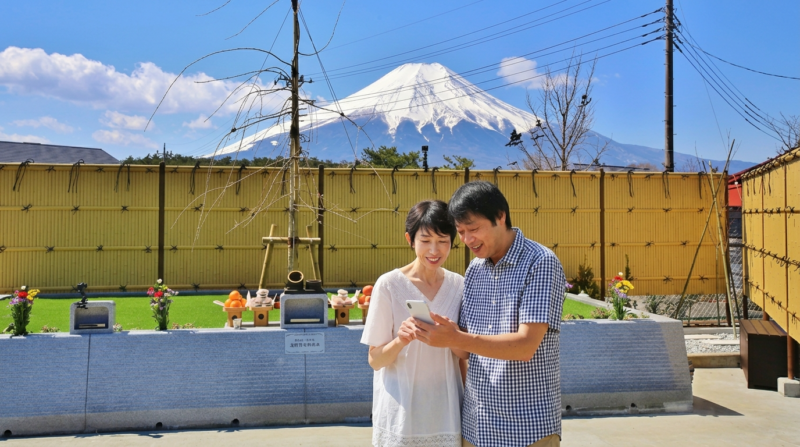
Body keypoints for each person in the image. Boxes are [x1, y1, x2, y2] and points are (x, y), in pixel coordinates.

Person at [411, 181, 566, 447]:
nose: (467, 239)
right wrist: (437, 332)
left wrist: (456, 338)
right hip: (476, 426)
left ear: (500, 217)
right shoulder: (475, 270)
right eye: (460, 232)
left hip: (527, 428)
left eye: (473, 229)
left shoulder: (540, 262)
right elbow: (467, 350)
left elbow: (525, 347)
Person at [361, 200, 468, 447]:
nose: (434, 250)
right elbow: (375, 360)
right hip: (402, 415)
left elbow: (464, 355)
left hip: (446, 411)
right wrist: (401, 340)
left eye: (443, 241)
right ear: (410, 239)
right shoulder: (388, 285)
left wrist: (453, 336)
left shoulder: (459, 285)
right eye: (425, 240)